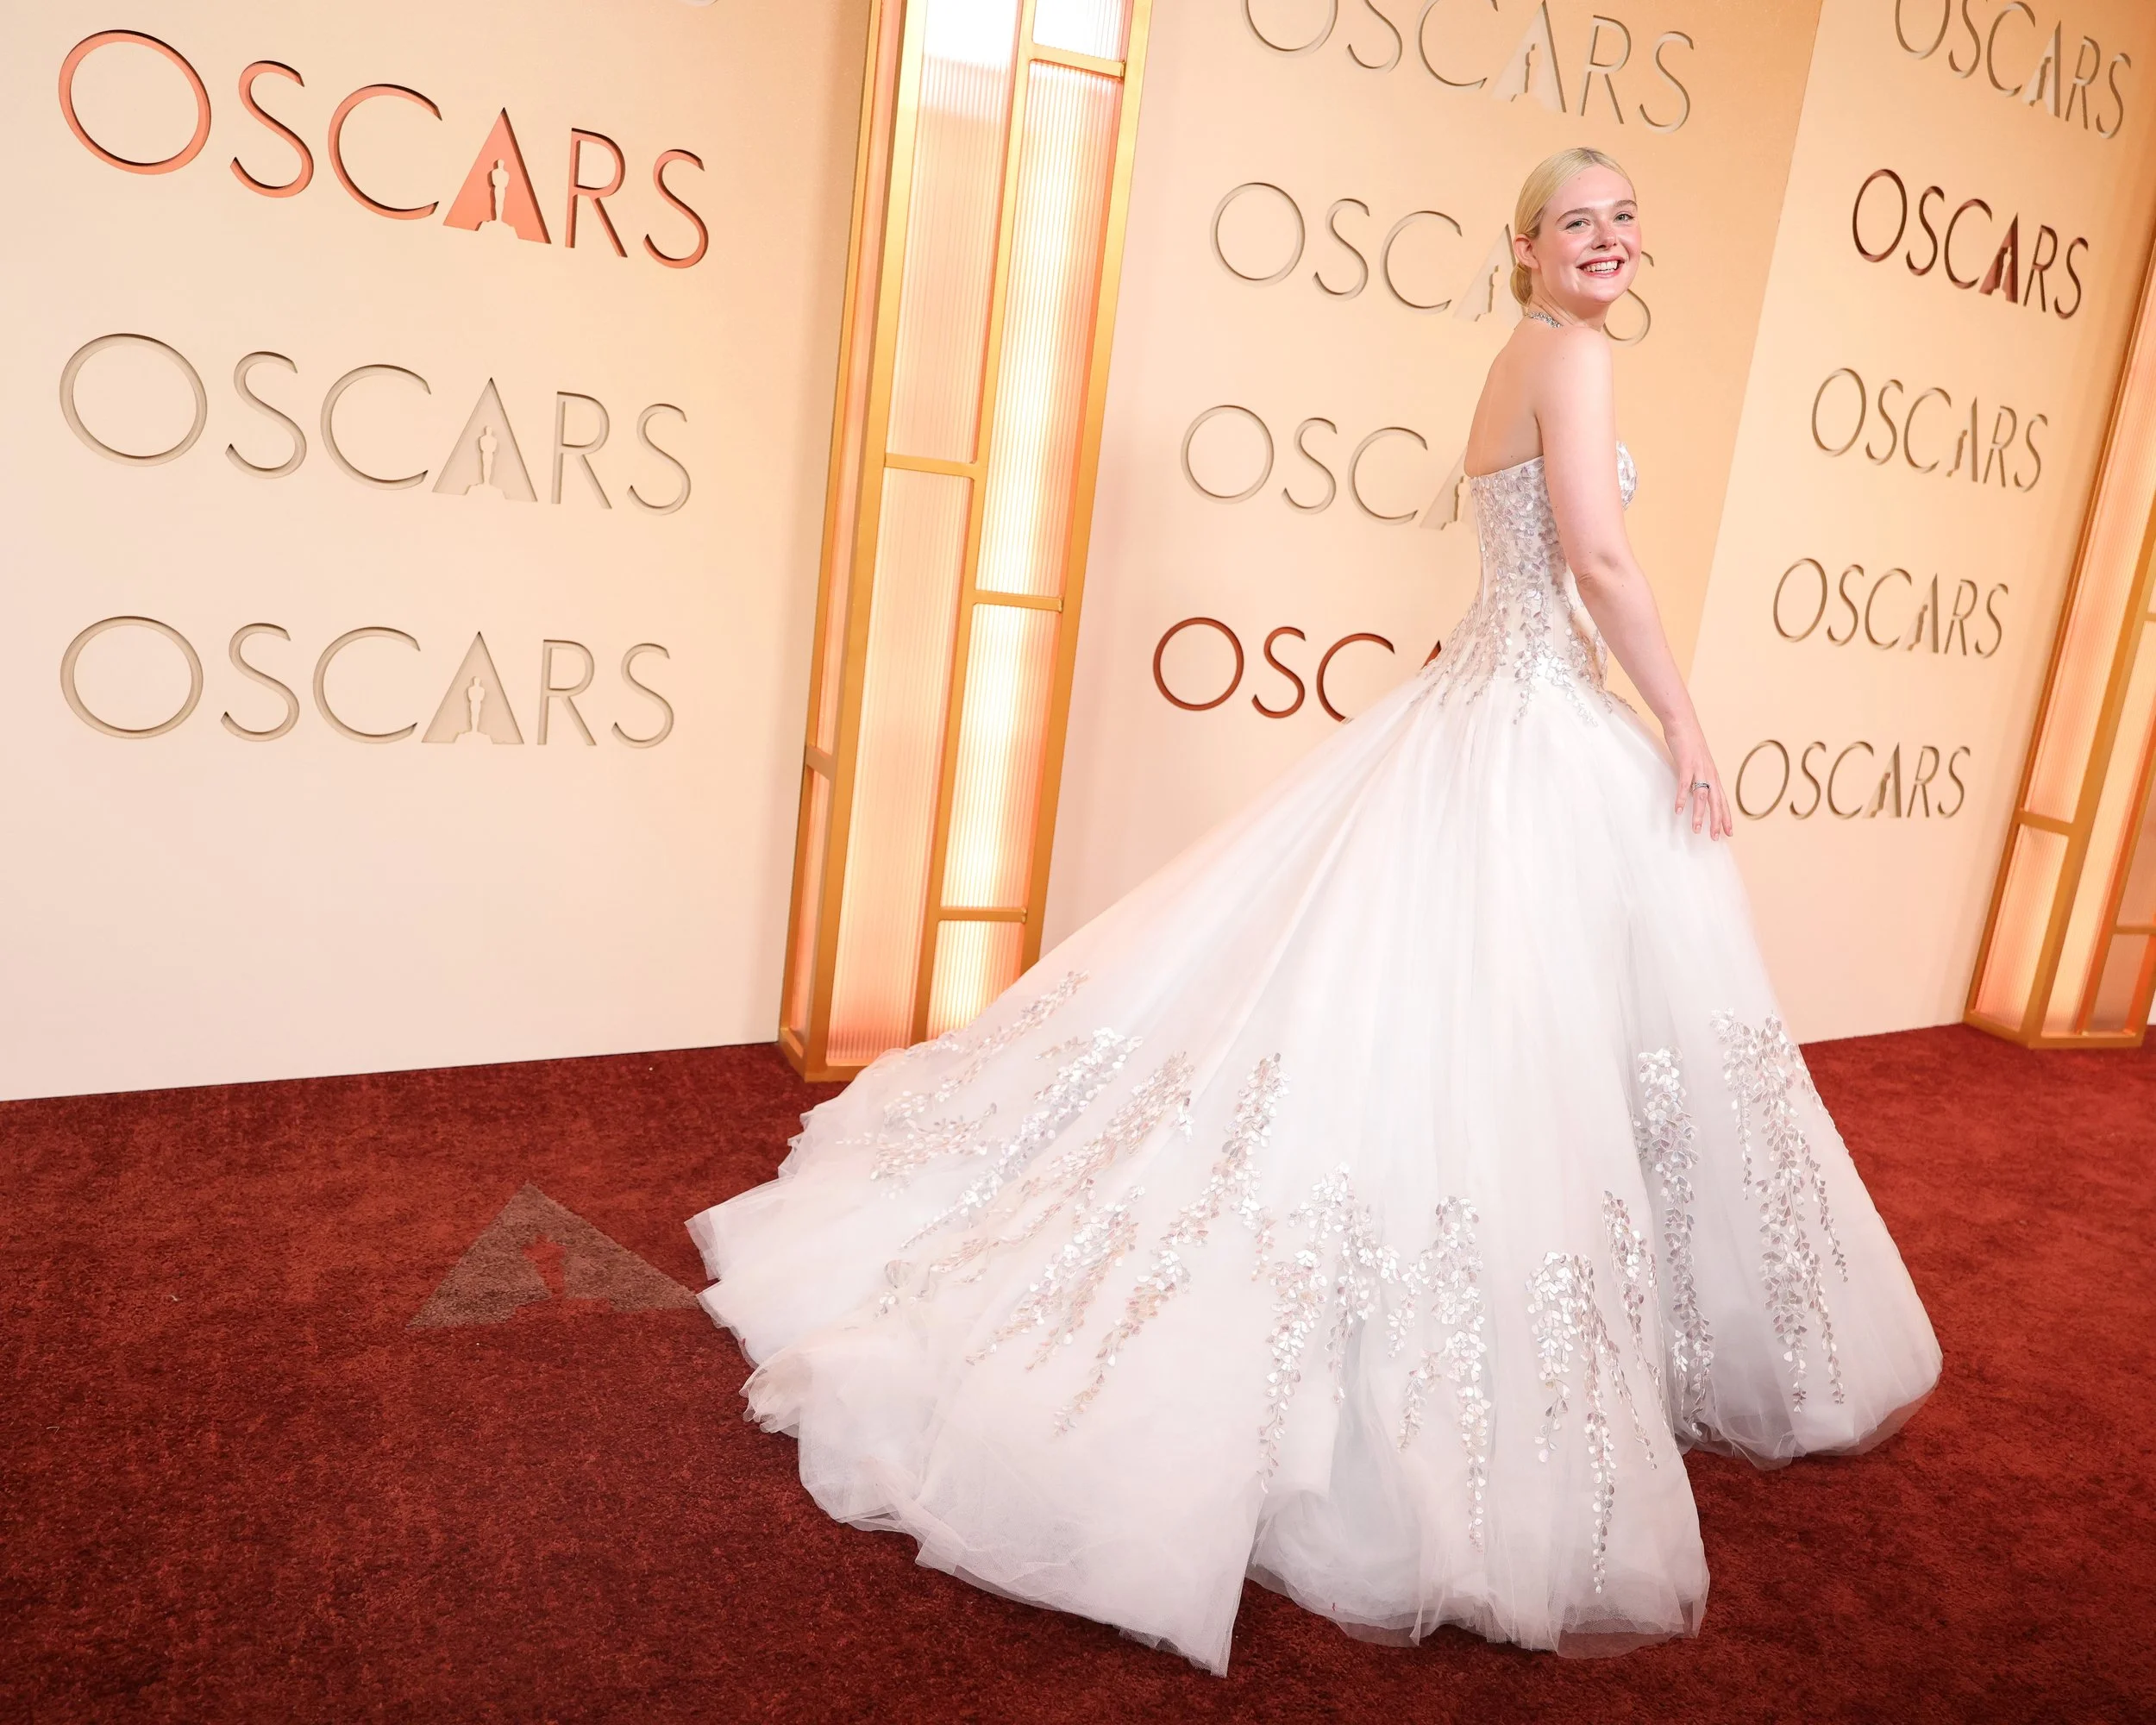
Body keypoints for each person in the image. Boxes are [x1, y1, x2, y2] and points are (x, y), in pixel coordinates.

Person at [687, 147, 1941, 1674]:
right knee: (1521, 1040)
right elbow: (1598, 558)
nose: (1607, 243)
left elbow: (1524, 557)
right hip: (1536, 725)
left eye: (1625, 222)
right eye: (1578, 223)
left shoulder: (1521, 352)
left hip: (1497, 707)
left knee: (1500, 1038)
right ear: (1526, 245)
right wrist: (1683, 718)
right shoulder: (1570, 355)